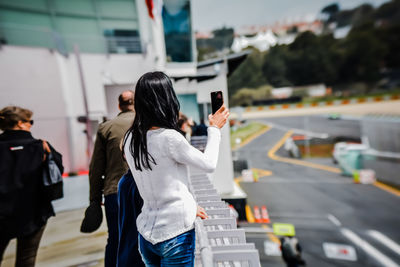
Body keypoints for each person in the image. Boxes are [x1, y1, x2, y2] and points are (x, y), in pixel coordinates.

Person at [123, 71, 229, 266]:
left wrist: (189, 206)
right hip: (175, 235)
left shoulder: (130, 139)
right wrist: (214, 129)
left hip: (146, 234)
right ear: (167, 99)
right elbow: (209, 164)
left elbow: (158, 180)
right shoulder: (170, 138)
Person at [0, 106, 63, 267]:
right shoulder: (40, 146)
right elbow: (57, 171)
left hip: (2, 214)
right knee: (26, 259)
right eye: (30, 122)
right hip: (34, 212)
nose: (31, 125)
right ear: (21, 123)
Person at [82, 90, 135, 267]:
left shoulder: (106, 127)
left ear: (119, 105)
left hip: (115, 192)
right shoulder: (147, 124)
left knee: (116, 239)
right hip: (144, 192)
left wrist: (94, 200)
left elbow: (96, 168)